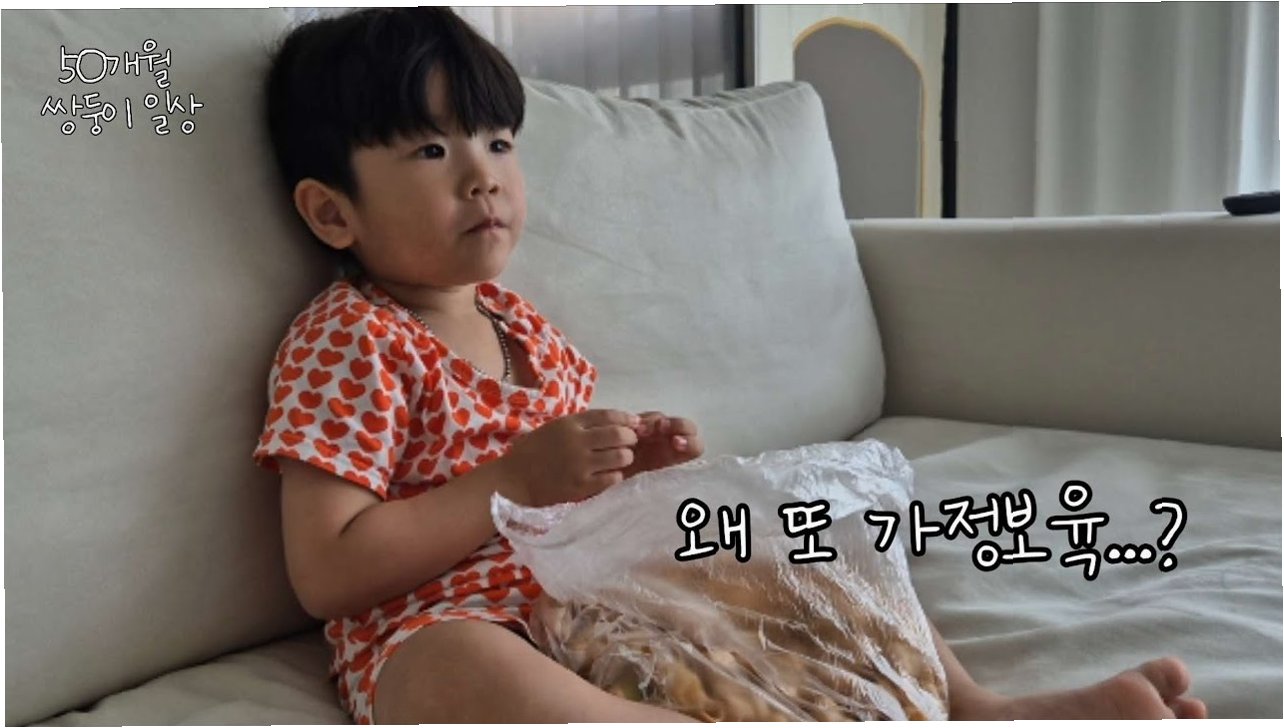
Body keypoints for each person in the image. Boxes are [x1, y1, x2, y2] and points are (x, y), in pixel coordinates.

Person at [254, 7, 1208, 724]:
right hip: (453, 624)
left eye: (499, 142)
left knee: (808, 543)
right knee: (450, 672)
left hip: (599, 603)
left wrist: (631, 471)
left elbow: (576, 503)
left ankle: (974, 704)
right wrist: (514, 481)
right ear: (333, 212)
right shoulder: (350, 340)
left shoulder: (525, 329)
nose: (484, 175)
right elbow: (327, 571)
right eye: (433, 149)